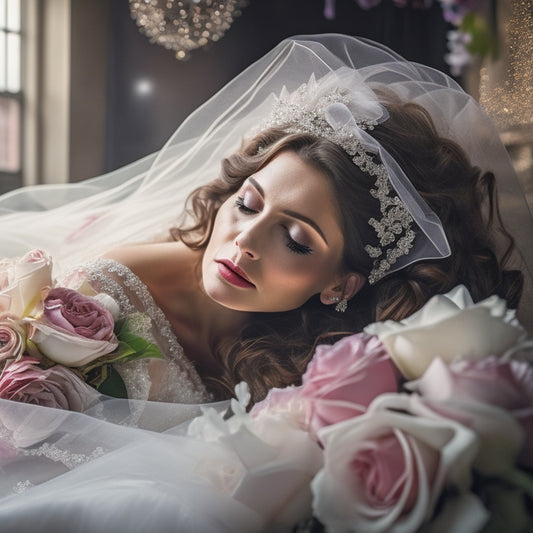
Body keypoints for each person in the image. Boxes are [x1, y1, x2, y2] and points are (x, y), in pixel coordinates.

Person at [0, 34, 532, 531]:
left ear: (341, 286)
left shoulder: (328, 357)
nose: (244, 240)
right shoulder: (104, 297)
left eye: (296, 240)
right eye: (248, 203)